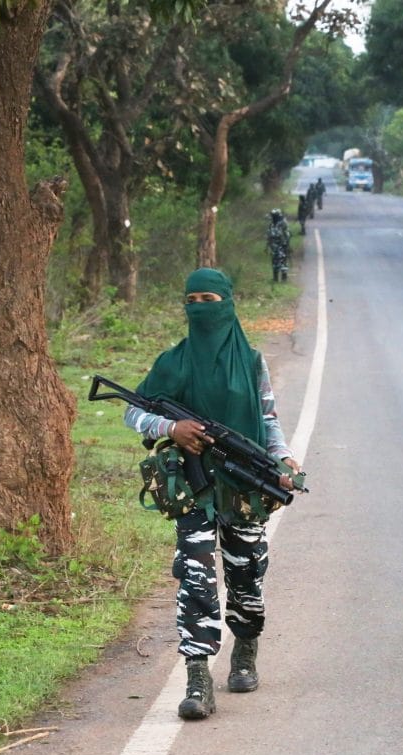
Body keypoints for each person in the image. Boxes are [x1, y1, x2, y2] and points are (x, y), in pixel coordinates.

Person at [124, 268, 301, 720]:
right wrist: (171, 428)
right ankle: (198, 676)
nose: (202, 308)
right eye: (193, 299)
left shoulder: (252, 360)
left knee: (246, 572)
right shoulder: (172, 362)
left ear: (228, 304)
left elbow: (268, 418)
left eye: (210, 299)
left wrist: (282, 459)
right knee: (196, 575)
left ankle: (245, 648)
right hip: (193, 485)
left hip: (245, 484)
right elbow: (133, 412)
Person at [266, 209, 291, 282]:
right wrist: (268, 245)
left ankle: (284, 278)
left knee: (283, 261)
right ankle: (275, 278)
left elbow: (287, 234)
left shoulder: (283, 223)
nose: (273, 217)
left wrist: (285, 244)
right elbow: (269, 235)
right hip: (274, 246)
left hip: (282, 245)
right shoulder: (272, 224)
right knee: (274, 261)